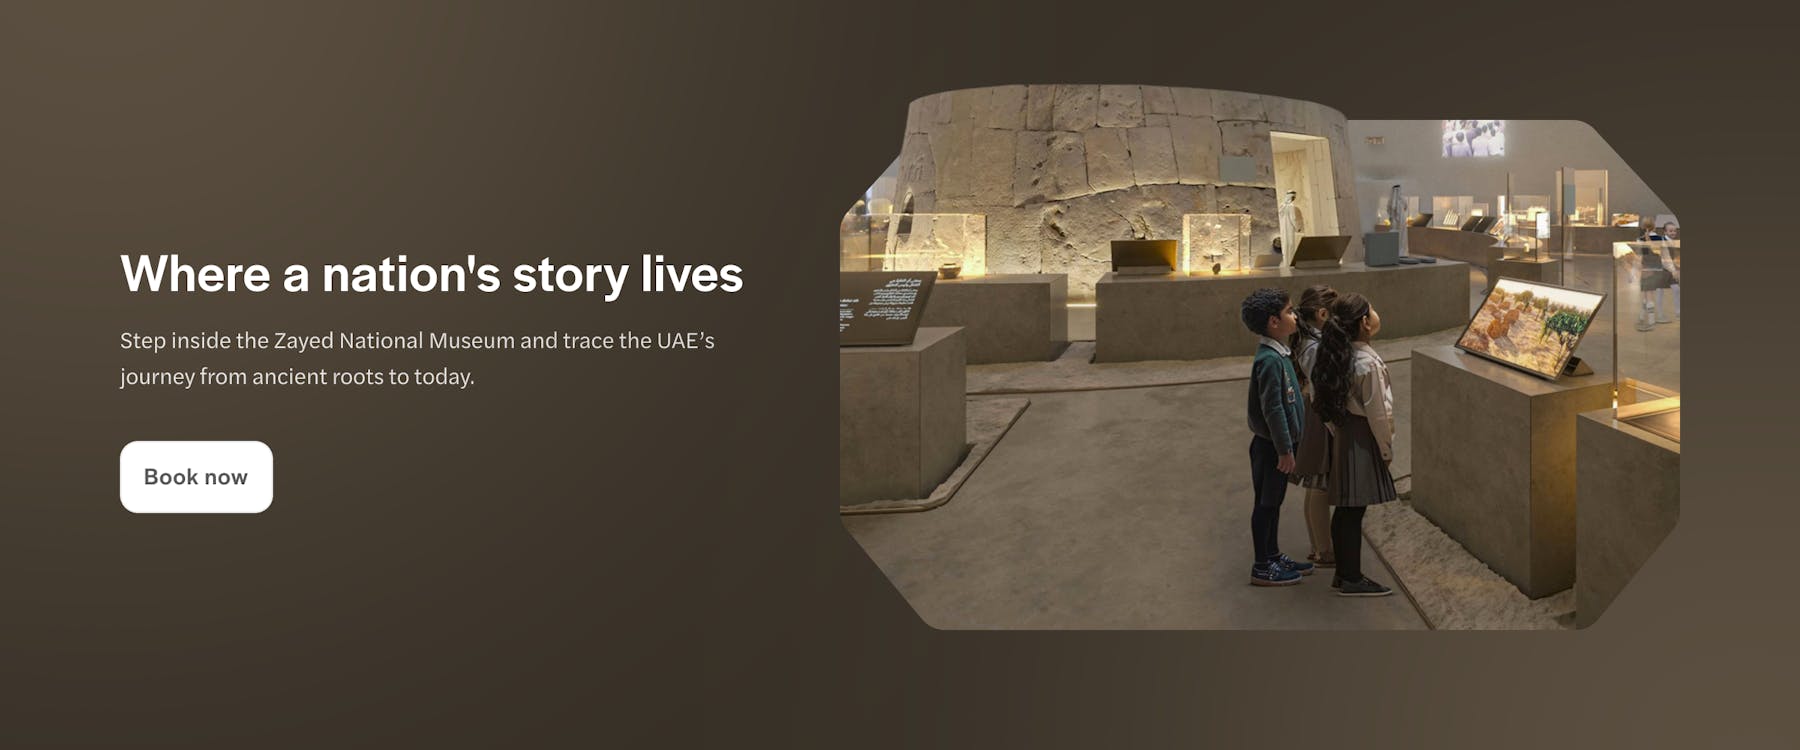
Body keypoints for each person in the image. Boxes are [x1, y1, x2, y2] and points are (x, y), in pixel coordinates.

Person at [1311, 293, 1398, 597]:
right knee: (1352, 510)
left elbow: (1322, 401)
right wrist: (1386, 449)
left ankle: (1344, 574)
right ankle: (1351, 578)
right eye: (1372, 310)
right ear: (1364, 323)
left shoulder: (1337, 355)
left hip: (1345, 434)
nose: (1375, 313)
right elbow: (1379, 413)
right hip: (1362, 438)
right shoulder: (1367, 364)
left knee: (1346, 508)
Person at [1240, 288, 1314, 586]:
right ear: (1274, 321)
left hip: (1278, 446)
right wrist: (1285, 449)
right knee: (1266, 504)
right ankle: (1262, 565)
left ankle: (1272, 554)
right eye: (1289, 311)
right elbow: (1273, 409)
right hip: (1271, 448)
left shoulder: (1278, 354)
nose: (1295, 316)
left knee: (1275, 501)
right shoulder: (1270, 361)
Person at [1287, 285, 1339, 568]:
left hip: (1313, 412)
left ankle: (1318, 547)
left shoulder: (1306, 341)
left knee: (1315, 486)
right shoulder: (1315, 347)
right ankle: (1324, 549)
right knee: (1320, 485)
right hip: (1321, 417)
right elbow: (1323, 387)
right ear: (1322, 314)